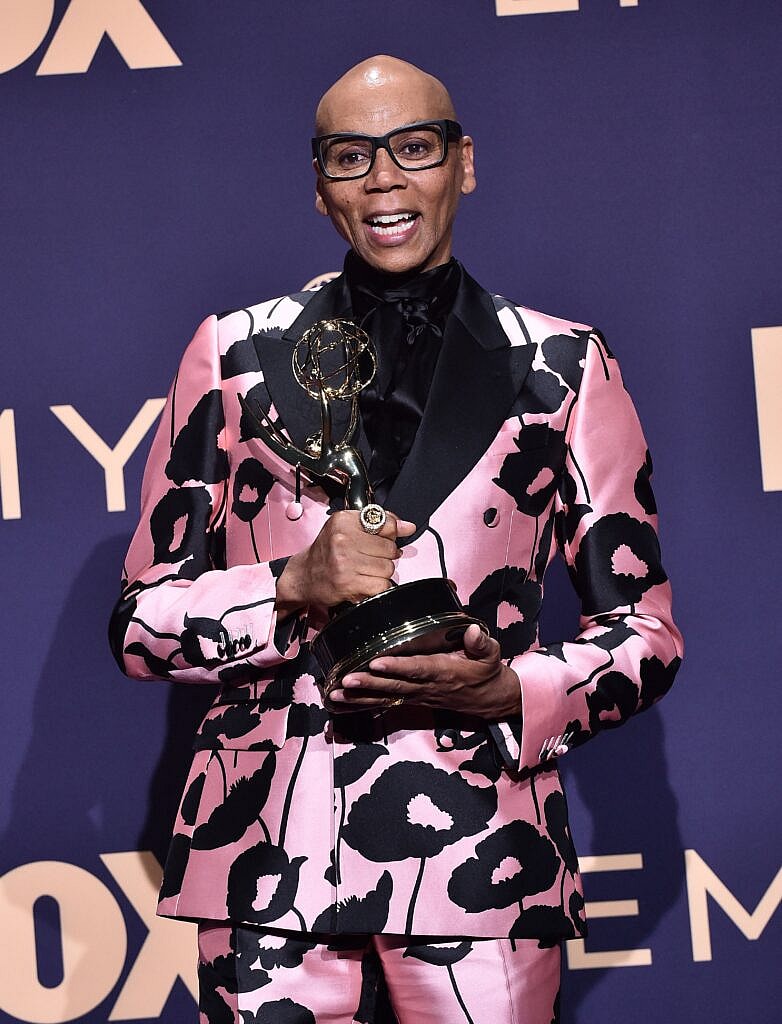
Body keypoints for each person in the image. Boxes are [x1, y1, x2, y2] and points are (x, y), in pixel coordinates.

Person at [109, 55, 683, 1024]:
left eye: (412, 148)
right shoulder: (234, 355)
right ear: (319, 183)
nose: (383, 180)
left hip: (478, 849)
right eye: (351, 156)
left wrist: (513, 688)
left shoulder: (563, 367)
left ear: (462, 162)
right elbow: (138, 622)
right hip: (268, 857)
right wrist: (289, 582)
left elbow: (644, 631)